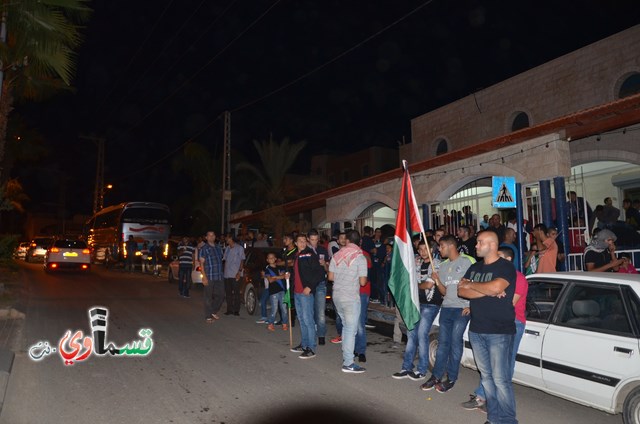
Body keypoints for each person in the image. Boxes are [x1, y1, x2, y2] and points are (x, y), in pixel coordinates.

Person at [458, 230, 518, 424]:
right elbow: (461, 291)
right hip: (476, 330)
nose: (475, 246)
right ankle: (493, 419)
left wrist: (475, 285)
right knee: (486, 378)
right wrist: (490, 289)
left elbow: (494, 287)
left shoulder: (505, 267)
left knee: (500, 380)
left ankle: (508, 420)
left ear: (492, 245)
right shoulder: (475, 267)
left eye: (479, 242)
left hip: (499, 331)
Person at [421, 235, 475, 393]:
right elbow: (444, 291)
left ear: (451, 246)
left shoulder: (467, 261)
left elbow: (474, 284)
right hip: (447, 308)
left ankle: (451, 378)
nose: (439, 249)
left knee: (455, 342)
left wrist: (471, 305)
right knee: (443, 343)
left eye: (441, 246)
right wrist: (437, 280)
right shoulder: (443, 266)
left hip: (461, 309)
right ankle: (436, 376)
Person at [392, 240, 442, 381]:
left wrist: (413, 285)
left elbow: (428, 285)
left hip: (430, 304)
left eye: (425, 249)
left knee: (422, 334)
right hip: (416, 303)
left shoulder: (436, 264)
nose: (422, 252)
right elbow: (406, 277)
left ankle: (422, 369)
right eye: (420, 249)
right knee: (411, 334)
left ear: (432, 249)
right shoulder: (416, 261)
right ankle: (406, 367)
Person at [328, 230, 368, 373]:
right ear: (359, 241)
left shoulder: (337, 255)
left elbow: (331, 277)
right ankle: (348, 363)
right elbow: (363, 282)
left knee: (346, 328)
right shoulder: (360, 257)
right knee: (351, 330)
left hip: (337, 296)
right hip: (350, 297)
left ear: (347, 241)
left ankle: (347, 357)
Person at [290, 234, 325, 359]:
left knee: (308, 320)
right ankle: (304, 345)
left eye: (304, 241)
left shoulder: (309, 254)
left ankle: (311, 347)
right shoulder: (297, 255)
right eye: (300, 241)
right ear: (295, 243)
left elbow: (320, 272)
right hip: (297, 292)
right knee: (302, 320)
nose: (302, 243)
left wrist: (310, 286)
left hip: (306, 293)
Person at [308, 229, 329, 345]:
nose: (314, 242)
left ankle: (321, 335)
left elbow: (328, 268)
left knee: (320, 312)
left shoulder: (323, 250)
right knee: (310, 311)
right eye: (312, 240)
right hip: (309, 285)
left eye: (316, 239)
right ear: (308, 239)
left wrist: (324, 265)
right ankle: (312, 333)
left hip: (320, 283)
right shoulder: (305, 251)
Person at [199, 231, 224, 323]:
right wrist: (204, 277)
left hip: (219, 275)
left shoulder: (218, 247)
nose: (211, 237)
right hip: (209, 275)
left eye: (213, 235)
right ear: (206, 237)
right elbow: (201, 263)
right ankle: (208, 316)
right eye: (209, 235)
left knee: (221, 295)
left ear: (215, 236)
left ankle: (213, 310)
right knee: (208, 297)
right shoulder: (204, 248)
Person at [263, 252, 290, 331]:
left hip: (282, 290)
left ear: (275, 259)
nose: (271, 259)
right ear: (267, 260)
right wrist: (279, 277)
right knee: (274, 309)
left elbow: (284, 276)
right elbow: (270, 280)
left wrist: (275, 277)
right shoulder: (267, 269)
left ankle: (284, 323)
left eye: (273, 257)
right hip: (273, 292)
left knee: (284, 308)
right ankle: (270, 323)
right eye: (269, 258)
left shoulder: (280, 268)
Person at [223, 234, 245, 316]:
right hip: (227, 274)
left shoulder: (239, 248)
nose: (226, 239)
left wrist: (239, 272)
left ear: (231, 238)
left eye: (227, 238)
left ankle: (236, 310)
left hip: (236, 273)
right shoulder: (227, 248)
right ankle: (229, 309)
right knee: (228, 293)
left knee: (236, 293)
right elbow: (225, 261)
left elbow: (242, 260)